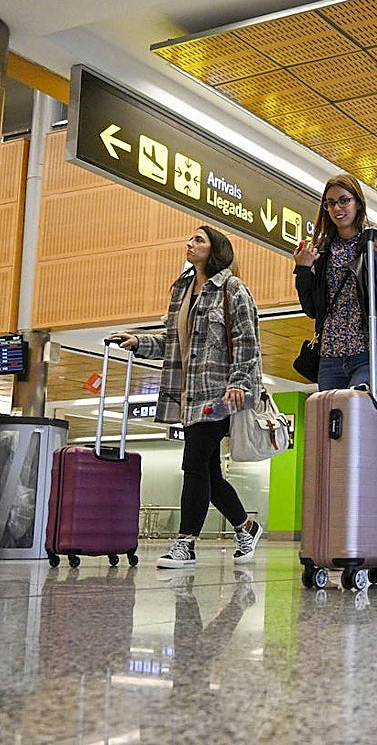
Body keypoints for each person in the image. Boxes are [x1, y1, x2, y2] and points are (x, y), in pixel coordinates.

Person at [111, 226, 263, 569]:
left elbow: (246, 341)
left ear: (215, 250)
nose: (189, 244)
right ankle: (246, 527)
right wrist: (138, 342)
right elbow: (173, 342)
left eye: (198, 240)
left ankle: (185, 544)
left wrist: (238, 382)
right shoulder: (182, 290)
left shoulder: (232, 289)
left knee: (193, 464)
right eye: (190, 239)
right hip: (188, 393)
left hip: (218, 393)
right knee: (208, 471)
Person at [293, 172, 377, 392]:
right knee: (332, 424)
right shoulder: (322, 252)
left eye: (344, 200)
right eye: (331, 203)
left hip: (370, 353)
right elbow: (312, 310)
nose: (337, 208)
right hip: (330, 358)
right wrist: (303, 269)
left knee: (361, 418)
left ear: (358, 203)